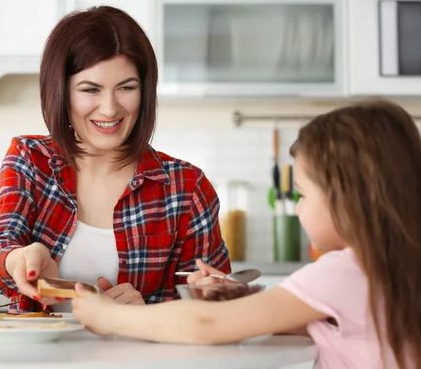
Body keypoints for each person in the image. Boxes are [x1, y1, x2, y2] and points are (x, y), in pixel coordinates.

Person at [73, 98, 421, 369]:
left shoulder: (344, 272)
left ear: (348, 199)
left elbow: (206, 325)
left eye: (302, 194)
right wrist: (237, 300)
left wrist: (110, 317)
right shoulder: (391, 270)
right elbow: (292, 321)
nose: (298, 207)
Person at [0, 5, 230, 313]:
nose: (110, 109)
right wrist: (17, 259)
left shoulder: (187, 189)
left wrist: (148, 315)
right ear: (61, 92)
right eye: (91, 89)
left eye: (126, 88)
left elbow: (214, 311)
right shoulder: (30, 159)